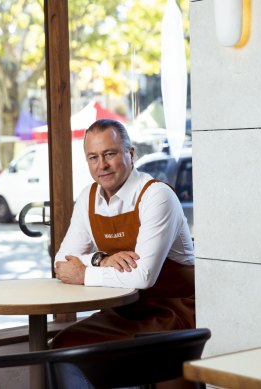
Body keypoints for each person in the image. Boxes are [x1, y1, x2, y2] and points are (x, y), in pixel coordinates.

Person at [51, 119, 195, 388]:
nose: (101, 165)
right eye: (93, 157)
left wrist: (85, 274)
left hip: (177, 314)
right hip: (127, 313)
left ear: (130, 154)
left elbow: (143, 277)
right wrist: (100, 259)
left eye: (109, 154)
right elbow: (61, 263)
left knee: (135, 358)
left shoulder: (156, 196)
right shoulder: (88, 198)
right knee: (62, 348)